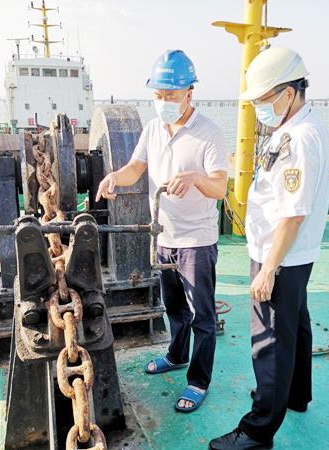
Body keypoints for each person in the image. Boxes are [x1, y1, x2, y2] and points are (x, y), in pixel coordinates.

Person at [209, 46, 329, 449]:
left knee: (270, 340)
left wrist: (267, 269)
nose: (259, 107)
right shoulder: (296, 126)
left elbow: (293, 215)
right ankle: (294, 394)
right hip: (290, 255)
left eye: (264, 98)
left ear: (289, 93)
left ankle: (258, 430)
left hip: (280, 256)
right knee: (295, 324)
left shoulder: (299, 138)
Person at [95, 49, 228, 413]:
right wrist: (113, 178)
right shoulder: (153, 129)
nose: (164, 101)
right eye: (158, 94)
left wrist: (196, 178)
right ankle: (176, 355)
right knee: (173, 307)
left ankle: (198, 381)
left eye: (171, 94)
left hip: (196, 241)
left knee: (202, 316)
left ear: (189, 92)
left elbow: (220, 187)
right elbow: (135, 169)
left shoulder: (209, 133)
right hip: (164, 237)